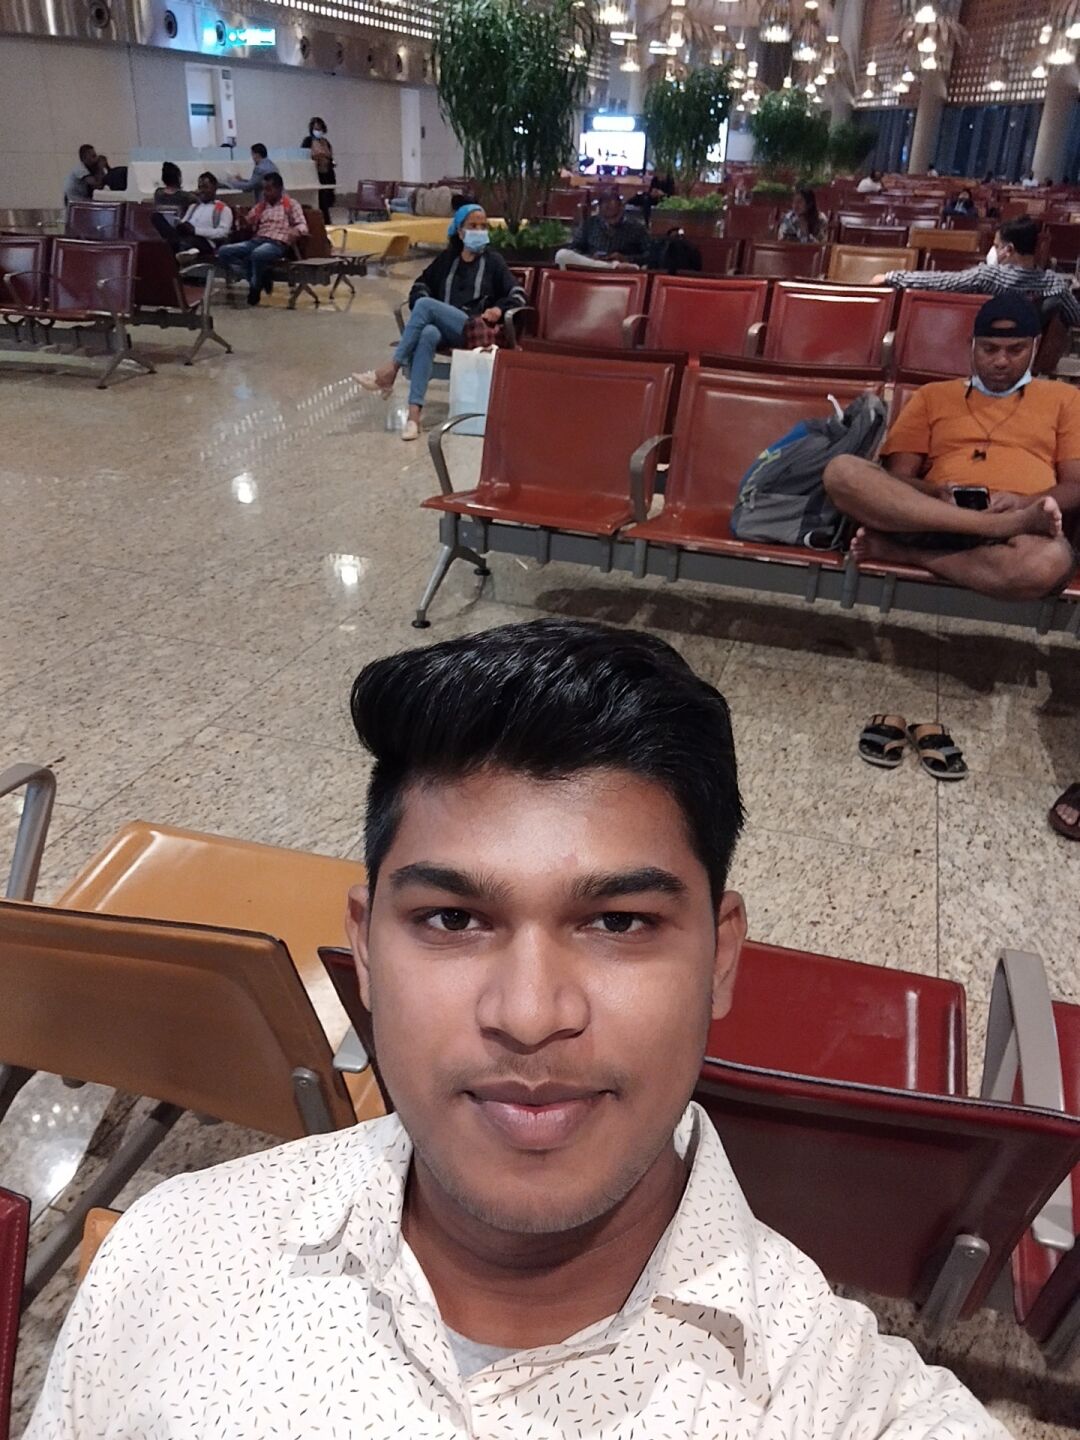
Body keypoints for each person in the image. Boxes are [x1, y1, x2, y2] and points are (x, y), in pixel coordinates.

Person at [25, 618, 1008, 1439]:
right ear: (365, 949)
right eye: (453, 919)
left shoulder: (851, 1408)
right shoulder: (165, 1254)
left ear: (721, 958)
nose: (531, 1016)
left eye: (619, 923)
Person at [823, 295, 1079, 601]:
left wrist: (1023, 503)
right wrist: (936, 492)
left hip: (1019, 525)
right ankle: (992, 525)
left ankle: (907, 554)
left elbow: (1075, 486)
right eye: (989, 349)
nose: (1001, 361)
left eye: (1015, 350)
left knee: (1047, 564)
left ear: (1035, 346)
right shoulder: (932, 396)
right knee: (842, 470)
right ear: (971, 345)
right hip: (932, 517)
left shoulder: (1066, 399)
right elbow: (898, 478)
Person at [354, 204, 526, 442]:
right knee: (428, 334)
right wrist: (426, 306)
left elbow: (517, 293)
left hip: (475, 328)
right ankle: (414, 416)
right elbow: (420, 285)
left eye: (483, 226)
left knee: (425, 306)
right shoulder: (448, 260)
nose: (479, 231)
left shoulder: (493, 261)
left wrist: (499, 308)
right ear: (460, 231)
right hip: (449, 330)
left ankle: (390, 370)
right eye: (473, 226)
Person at [872, 216, 1080, 327]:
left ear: (1008, 250)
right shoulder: (1055, 284)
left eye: (996, 246)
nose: (994, 250)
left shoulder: (989, 276)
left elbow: (942, 281)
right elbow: (1075, 317)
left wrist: (892, 277)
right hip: (1027, 361)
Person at [216, 171, 307, 306]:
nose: (265, 193)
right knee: (224, 251)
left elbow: (302, 225)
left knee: (257, 254)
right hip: (257, 240)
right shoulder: (261, 206)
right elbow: (248, 222)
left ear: (279, 189)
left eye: (269, 189)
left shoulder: (290, 204)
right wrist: (243, 221)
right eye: (264, 189)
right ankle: (260, 277)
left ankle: (255, 288)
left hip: (277, 243)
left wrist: (296, 231)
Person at [555, 185, 649, 270]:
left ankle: (615, 266)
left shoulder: (636, 228)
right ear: (599, 210)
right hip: (591, 269)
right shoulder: (589, 225)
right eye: (607, 218)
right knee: (562, 255)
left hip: (623, 272)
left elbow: (650, 256)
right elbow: (574, 248)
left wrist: (626, 258)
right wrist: (590, 257)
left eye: (615, 217)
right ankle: (613, 266)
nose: (611, 222)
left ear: (621, 208)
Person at [151, 172, 233, 258]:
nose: (201, 191)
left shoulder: (222, 208)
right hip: (185, 237)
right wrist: (180, 225)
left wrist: (195, 230)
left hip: (204, 241)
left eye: (205, 187)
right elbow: (184, 222)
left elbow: (223, 233)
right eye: (200, 187)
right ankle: (180, 248)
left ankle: (181, 250)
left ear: (214, 188)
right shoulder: (194, 206)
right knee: (157, 217)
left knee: (183, 242)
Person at [301, 116, 336, 225]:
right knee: (319, 199)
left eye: (320, 129)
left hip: (327, 173)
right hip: (315, 174)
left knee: (327, 199)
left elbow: (330, 156)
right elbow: (304, 156)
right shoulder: (308, 141)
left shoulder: (326, 142)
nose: (318, 131)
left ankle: (327, 221)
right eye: (316, 129)